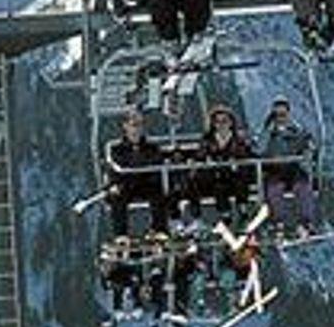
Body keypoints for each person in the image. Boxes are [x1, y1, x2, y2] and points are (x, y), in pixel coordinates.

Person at [104, 107, 171, 239]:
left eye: (140, 125)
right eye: (134, 125)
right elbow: (114, 168)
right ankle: (121, 234)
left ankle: (159, 230)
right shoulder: (117, 149)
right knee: (117, 198)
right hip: (126, 185)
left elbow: (156, 164)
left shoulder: (151, 148)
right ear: (125, 127)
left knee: (158, 193)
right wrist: (113, 185)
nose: (137, 130)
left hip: (145, 183)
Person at [185, 102, 256, 224]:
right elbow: (200, 155)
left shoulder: (238, 140)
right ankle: (214, 216)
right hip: (214, 177)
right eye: (218, 122)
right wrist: (204, 161)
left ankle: (243, 211)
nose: (221, 125)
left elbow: (245, 156)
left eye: (224, 121)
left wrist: (235, 162)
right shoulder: (207, 140)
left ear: (231, 123)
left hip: (233, 176)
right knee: (212, 185)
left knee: (239, 180)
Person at [258, 96, 318, 236]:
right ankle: (279, 222)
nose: (280, 118)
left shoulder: (296, 130)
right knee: (274, 190)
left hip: (293, 168)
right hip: (274, 169)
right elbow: (259, 149)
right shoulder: (267, 132)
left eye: (283, 114)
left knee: (303, 187)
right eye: (277, 115)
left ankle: (306, 222)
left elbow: (309, 144)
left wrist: (308, 151)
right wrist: (268, 130)